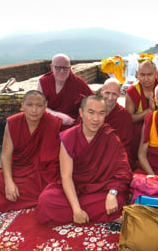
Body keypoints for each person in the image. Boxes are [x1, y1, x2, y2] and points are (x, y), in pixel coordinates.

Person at [35, 95, 132, 225]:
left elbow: (122, 171)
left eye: (101, 113)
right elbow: (66, 176)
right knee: (46, 202)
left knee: (118, 199)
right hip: (75, 188)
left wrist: (112, 193)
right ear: (81, 113)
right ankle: (97, 214)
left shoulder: (110, 137)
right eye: (91, 113)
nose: (96, 119)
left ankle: (96, 211)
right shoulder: (69, 137)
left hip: (101, 188)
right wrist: (76, 210)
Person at [0, 90, 62, 212]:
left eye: (39, 106)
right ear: (22, 107)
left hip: (42, 172)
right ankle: (38, 198)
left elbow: (55, 159)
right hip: (19, 168)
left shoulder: (53, 122)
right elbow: (6, 156)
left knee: (53, 185)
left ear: (45, 107)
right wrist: (9, 182)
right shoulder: (13, 123)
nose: (34, 110)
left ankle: (38, 197)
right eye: (30, 105)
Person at [38, 53, 93, 130]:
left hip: (73, 126)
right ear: (51, 67)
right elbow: (39, 106)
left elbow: (93, 103)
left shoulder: (78, 83)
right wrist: (57, 115)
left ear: (70, 68)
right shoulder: (43, 82)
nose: (62, 71)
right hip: (51, 124)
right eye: (58, 68)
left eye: (65, 68)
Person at [125, 60, 158, 163]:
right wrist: (149, 111)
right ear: (137, 74)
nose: (146, 79)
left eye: (149, 75)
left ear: (156, 74)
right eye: (142, 75)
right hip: (140, 132)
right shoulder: (132, 92)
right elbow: (129, 119)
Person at [101, 78, 135, 170]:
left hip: (115, 157)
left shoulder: (124, 116)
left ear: (119, 94)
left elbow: (124, 146)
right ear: (102, 91)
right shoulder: (92, 110)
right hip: (94, 155)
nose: (110, 97)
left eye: (114, 94)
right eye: (107, 93)